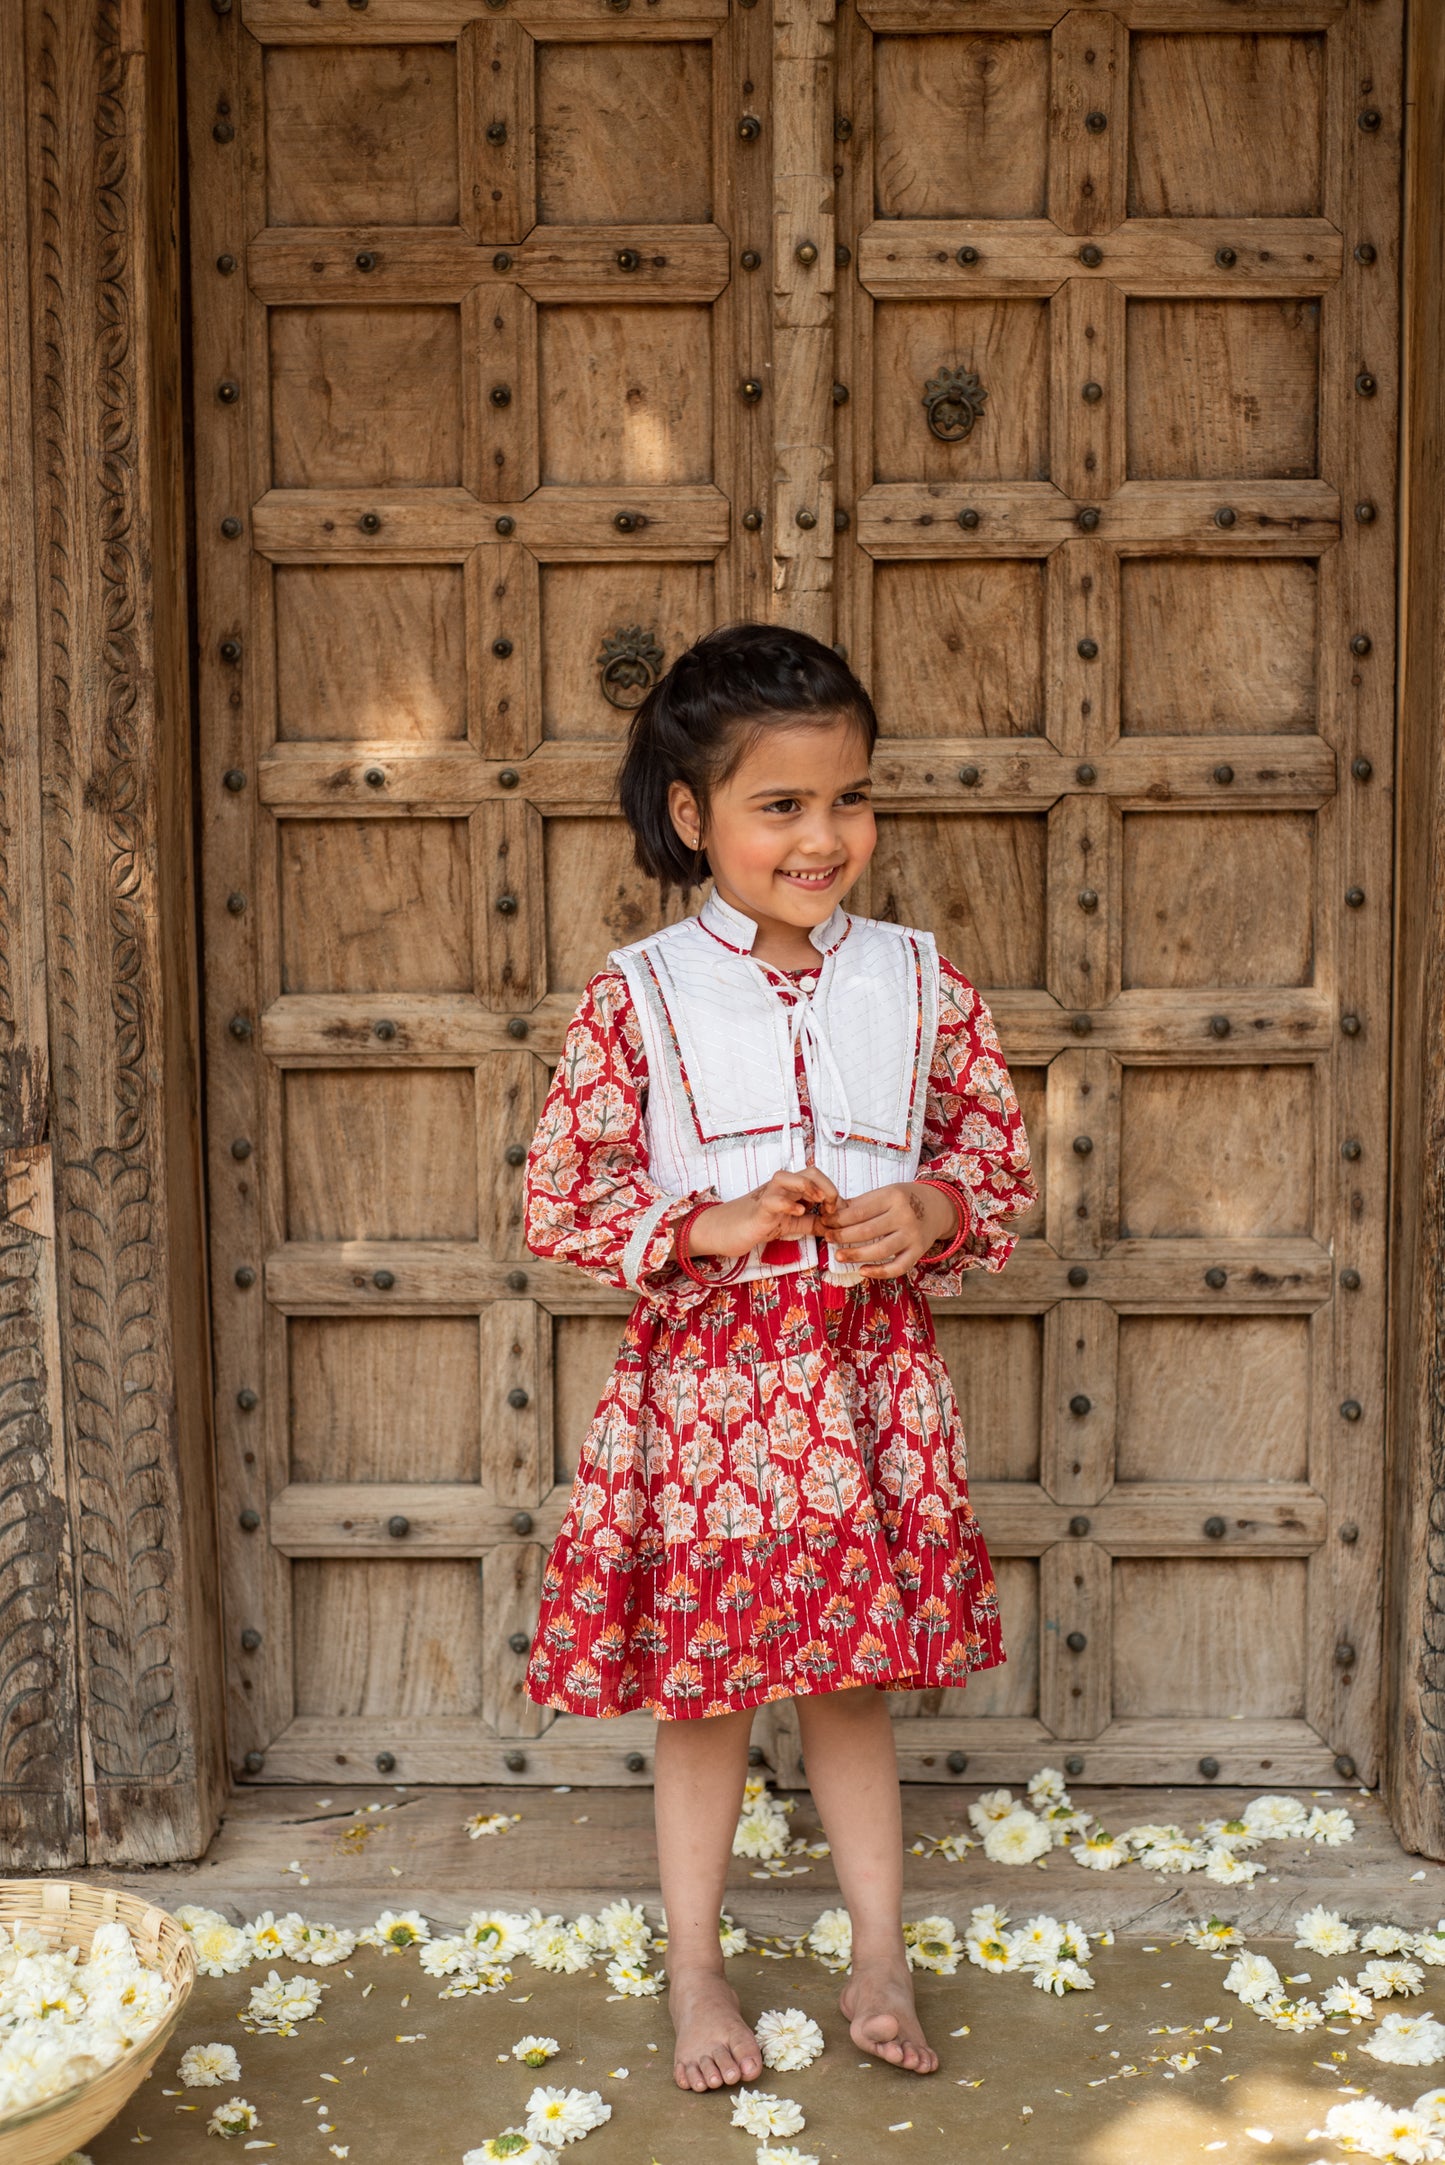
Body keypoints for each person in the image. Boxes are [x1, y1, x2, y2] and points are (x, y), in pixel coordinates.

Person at [522, 623, 1037, 2092]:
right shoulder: (644, 992)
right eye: (781, 805)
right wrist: (714, 1222)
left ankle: (879, 1952)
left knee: (851, 1682)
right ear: (691, 818)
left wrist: (929, 1207)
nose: (823, 837)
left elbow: (989, 1156)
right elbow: (566, 1195)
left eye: (848, 798)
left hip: (862, 1378)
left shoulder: (918, 979)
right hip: (713, 1397)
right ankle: (696, 1969)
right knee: (704, 1694)